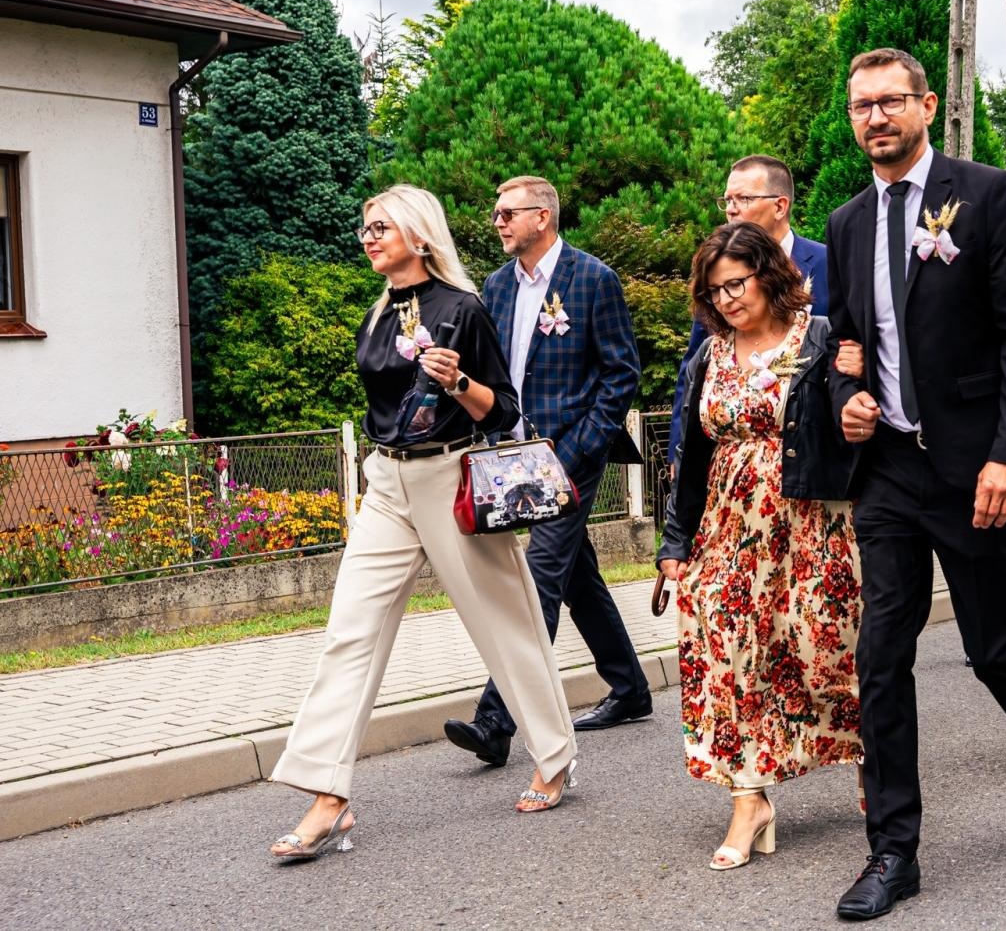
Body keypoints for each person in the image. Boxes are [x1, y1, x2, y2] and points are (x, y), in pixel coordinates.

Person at [824, 47, 1006, 921]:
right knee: (879, 656)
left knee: (992, 648)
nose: (875, 118)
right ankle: (894, 850)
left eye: (891, 102)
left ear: (927, 105)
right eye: (861, 105)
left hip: (978, 466)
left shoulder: (986, 195)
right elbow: (848, 349)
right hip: (891, 472)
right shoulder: (848, 221)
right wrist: (849, 399)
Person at [268, 185, 576, 860]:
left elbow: (502, 412)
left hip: (450, 478)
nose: (368, 236)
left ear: (419, 235)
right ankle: (328, 795)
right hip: (386, 483)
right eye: (364, 228)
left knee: (505, 623)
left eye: (380, 226)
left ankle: (554, 755)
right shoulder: (379, 314)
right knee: (350, 631)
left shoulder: (462, 310)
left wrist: (459, 382)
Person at [656, 222, 862, 870]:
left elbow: (854, 421)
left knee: (824, 650)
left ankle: (870, 759)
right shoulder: (708, 357)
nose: (726, 300)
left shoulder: (822, 338)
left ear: (770, 276)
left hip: (812, 523)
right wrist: (674, 543)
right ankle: (749, 798)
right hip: (726, 529)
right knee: (729, 655)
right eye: (714, 291)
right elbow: (688, 458)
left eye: (736, 284)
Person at [442, 176, 651, 770]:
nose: (497, 222)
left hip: (569, 460)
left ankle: (496, 720)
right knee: (575, 574)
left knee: (537, 581)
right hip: (512, 457)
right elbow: (495, 370)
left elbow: (620, 376)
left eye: (508, 213)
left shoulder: (593, 279)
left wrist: (579, 449)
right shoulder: (496, 285)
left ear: (543, 217)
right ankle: (631, 689)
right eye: (496, 213)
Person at [668, 155, 829, 469]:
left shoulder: (829, 264)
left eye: (743, 198)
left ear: (780, 206)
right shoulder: (717, 273)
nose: (731, 208)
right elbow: (693, 370)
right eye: (727, 199)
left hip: (811, 452)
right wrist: (679, 449)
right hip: (731, 455)